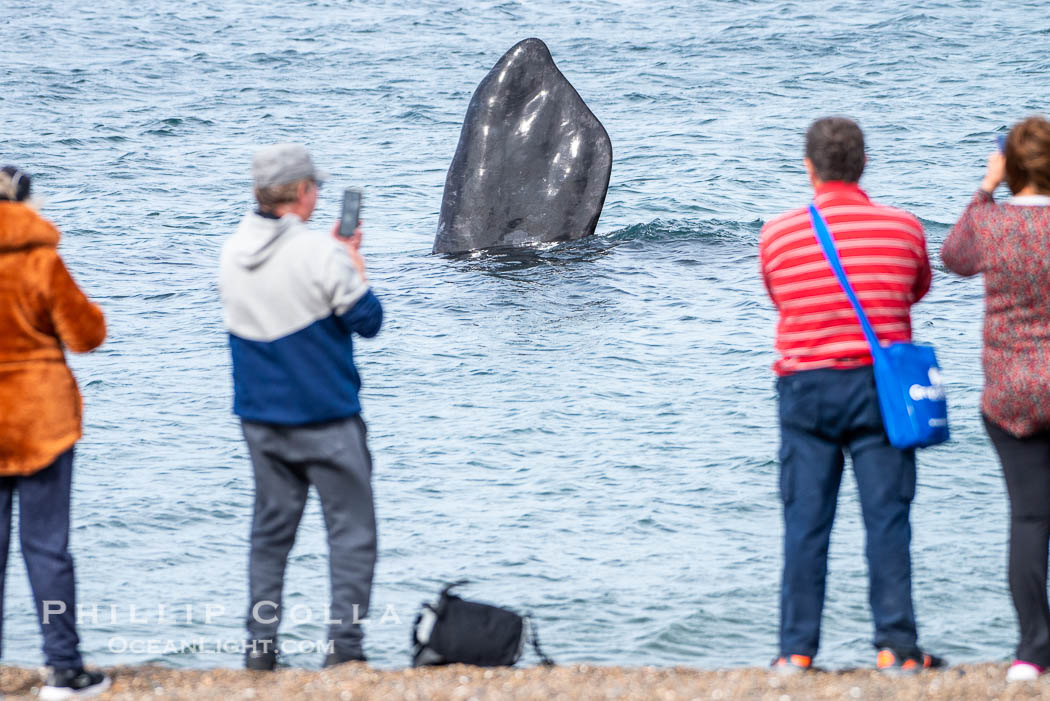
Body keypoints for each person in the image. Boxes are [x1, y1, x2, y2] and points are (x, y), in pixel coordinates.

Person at [759, 118, 944, 675]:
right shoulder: (904, 228)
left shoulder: (779, 233)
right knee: (887, 519)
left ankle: (795, 651)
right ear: (863, 164)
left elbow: (777, 295)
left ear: (810, 167)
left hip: (806, 386)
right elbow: (917, 289)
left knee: (806, 522)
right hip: (879, 389)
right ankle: (896, 647)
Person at [219, 144, 382, 670]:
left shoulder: (229, 253)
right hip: (326, 419)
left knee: (270, 537)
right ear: (303, 192)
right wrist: (351, 260)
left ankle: (260, 650)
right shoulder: (321, 253)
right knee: (351, 535)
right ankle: (344, 651)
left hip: (261, 422)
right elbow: (369, 320)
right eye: (314, 186)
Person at [941, 115, 1050, 683]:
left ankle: (1034, 652)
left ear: (1010, 165)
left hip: (1012, 396)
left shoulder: (994, 225)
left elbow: (953, 257)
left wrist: (985, 186)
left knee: (1030, 520)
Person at [0, 166, 109, 699]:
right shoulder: (41, 260)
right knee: (47, 549)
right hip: (38, 419)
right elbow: (87, 335)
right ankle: (64, 671)